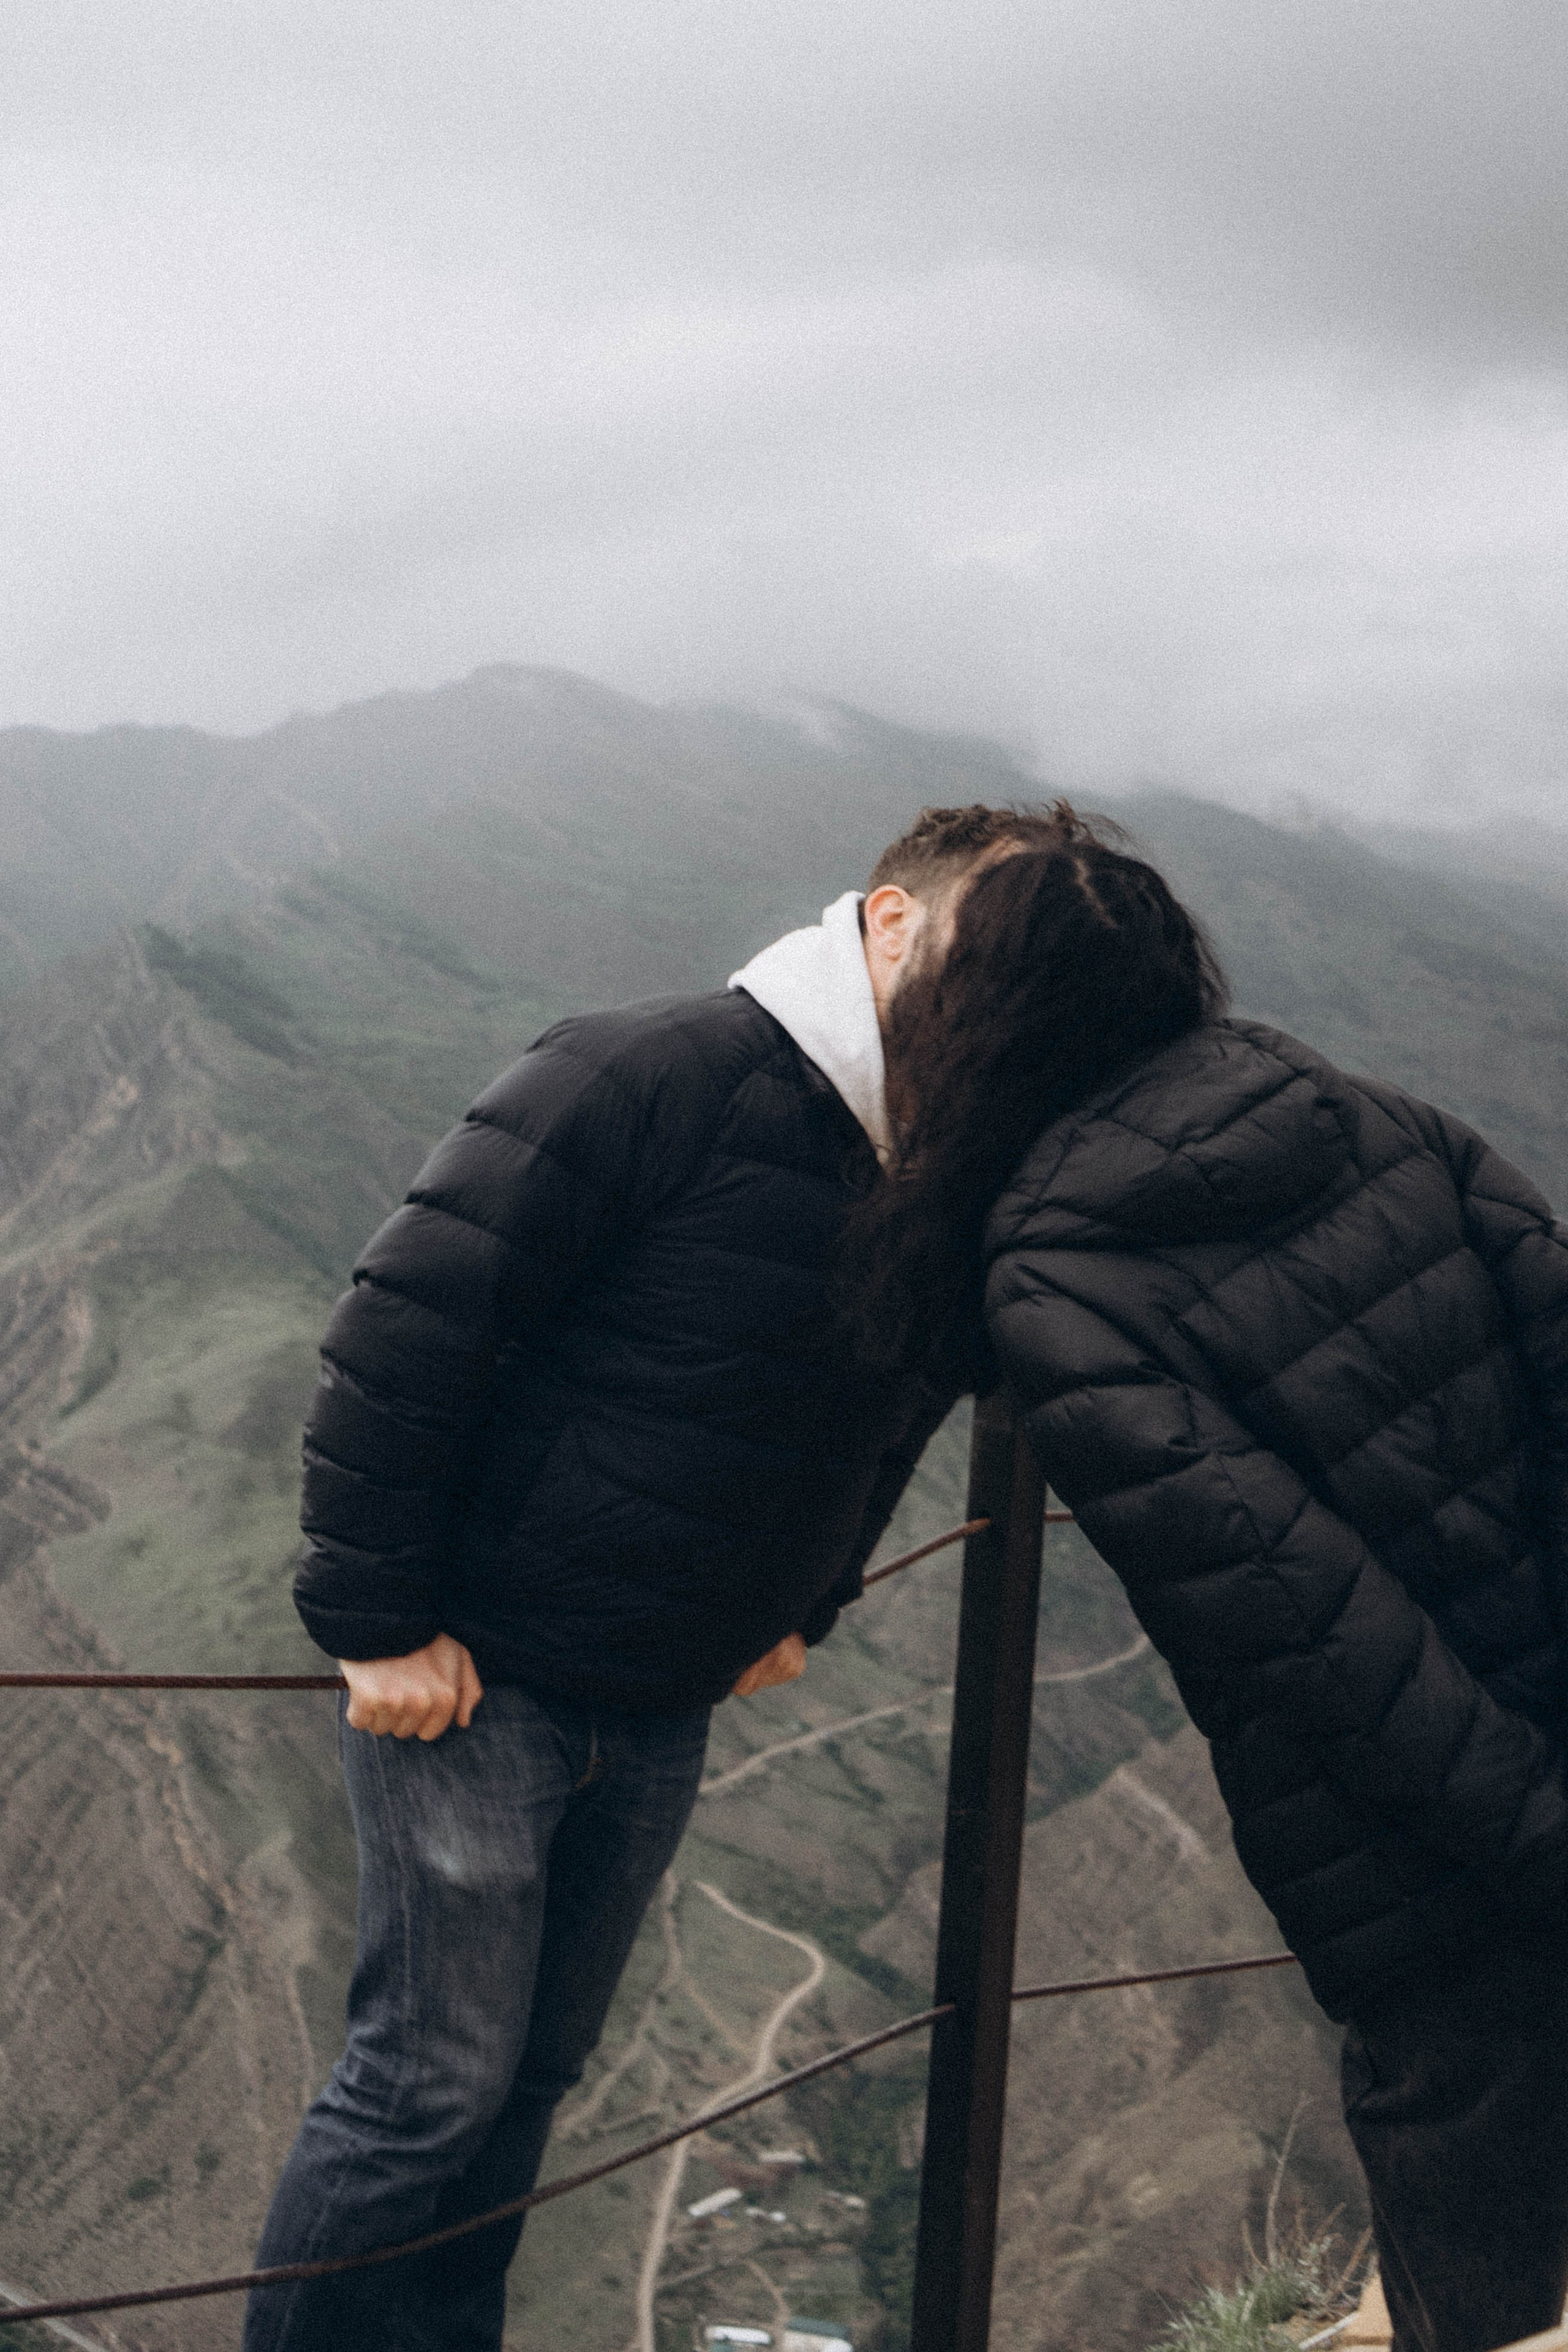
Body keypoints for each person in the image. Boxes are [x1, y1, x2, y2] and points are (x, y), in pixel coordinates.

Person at [243, 805, 1058, 2352]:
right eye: (977, 957)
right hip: (474, 1683)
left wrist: (804, 1605)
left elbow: (899, 1405)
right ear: (888, 924)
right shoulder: (652, 1070)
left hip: (661, 1699)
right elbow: (403, 1327)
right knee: (424, 2089)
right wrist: (374, 1623)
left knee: (530, 2084)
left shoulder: (931, 1156)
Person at [839, 804, 1568, 2352]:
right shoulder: (1380, 1116)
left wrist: (1533, 1834)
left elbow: (1293, 1618)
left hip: (1421, 1842)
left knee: (1474, 2239)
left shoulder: (1051, 1279)